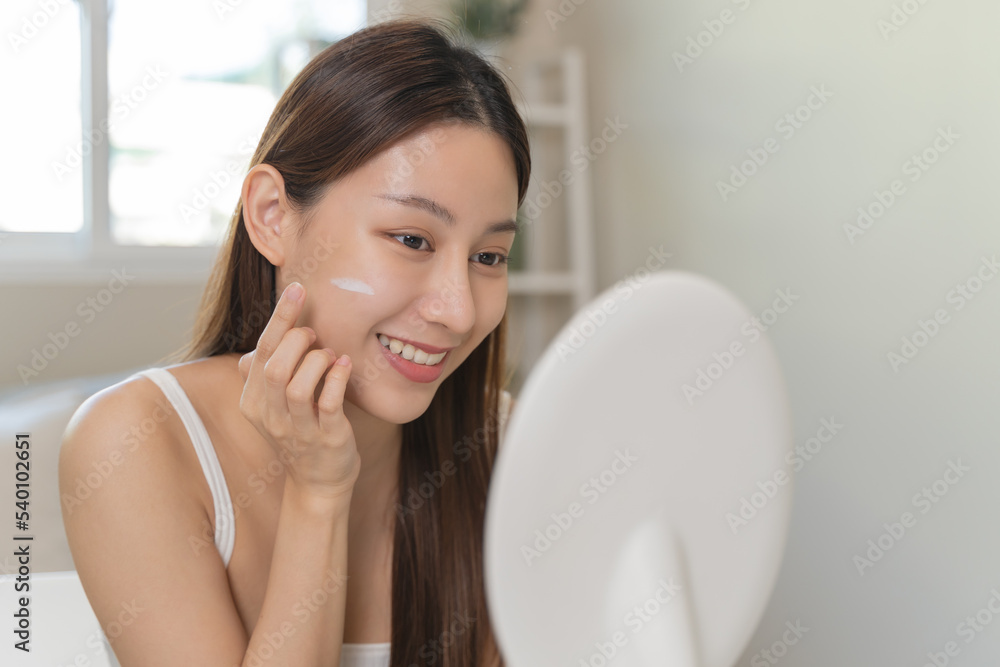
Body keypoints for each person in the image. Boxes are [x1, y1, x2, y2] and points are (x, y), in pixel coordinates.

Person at [58, 16, 528, 667]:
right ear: (273, 216)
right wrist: (319, 494)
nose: (457, 309)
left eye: (490, 256)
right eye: (413, 239)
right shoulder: (135, 442)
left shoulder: (508, 444)